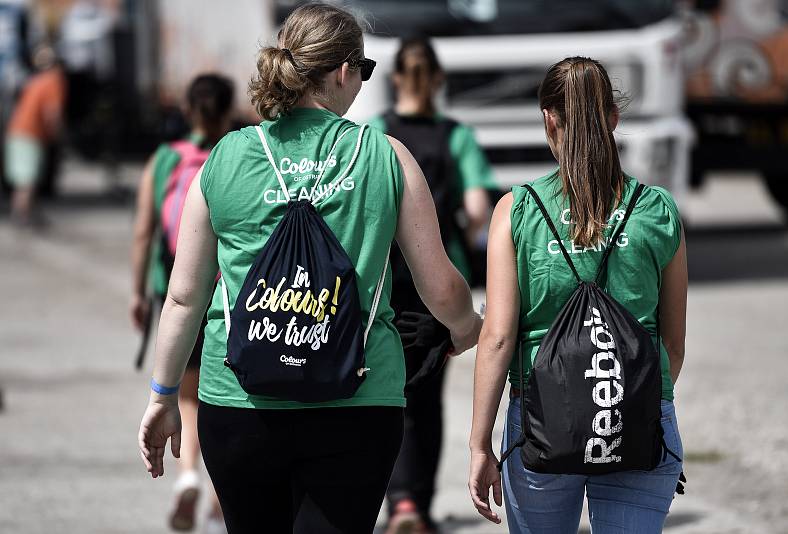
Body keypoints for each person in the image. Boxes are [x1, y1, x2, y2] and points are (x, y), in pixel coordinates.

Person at [136, 4, 482, 534]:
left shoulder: (228, 155)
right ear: (343, 71)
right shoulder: (385, 156)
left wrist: (163, 397)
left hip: (239, 401)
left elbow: (184, 296)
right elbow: (440, 287)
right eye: (363, 72)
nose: (363, 85)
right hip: (358, 403)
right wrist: (466, 328)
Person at [468, 56, 687, 533]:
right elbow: (672, 344)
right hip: (637, 414)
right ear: (613, 117)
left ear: (549, 118)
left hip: (543, 420)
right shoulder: (658, 210)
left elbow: (499, 338)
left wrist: (480, 445)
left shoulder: (517, 210)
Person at [368, 37, 495, 534]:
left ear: (395, 78)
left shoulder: (377, 134)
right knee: (427, 398)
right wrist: (460, 238)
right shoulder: (456, 135)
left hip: (383, 284)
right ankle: (416, 505)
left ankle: (392, 501)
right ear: (439, 79)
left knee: (381, 393)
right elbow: (480, 208)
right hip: (438, 286)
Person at [130, 74, 234, 532]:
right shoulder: (241, 153)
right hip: (232, 290)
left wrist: (138, 292)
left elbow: (143, 231)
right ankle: (220, 497)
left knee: (187, 396)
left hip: (176, 282)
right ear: (229, 109)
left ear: (189, 111)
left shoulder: (165, 159)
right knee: (233, 395)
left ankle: (188, 476)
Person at [4, 43, 65, 228]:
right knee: (28, 179)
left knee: (23, 178)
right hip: (29, 134)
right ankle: (23, 216)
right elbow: (52, 113)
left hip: (17, 131)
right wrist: (56, 134)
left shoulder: (35, 79)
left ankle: (21, 212)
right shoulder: (54, 81)